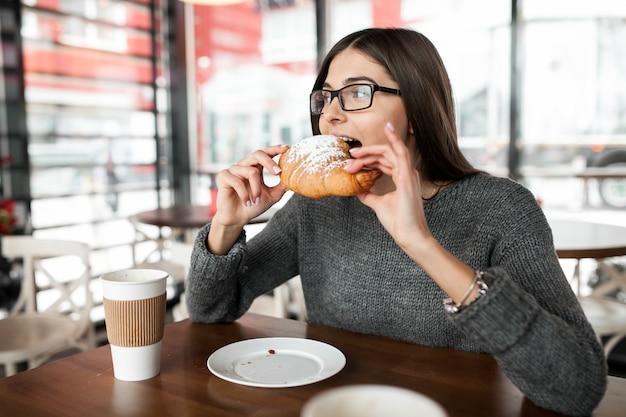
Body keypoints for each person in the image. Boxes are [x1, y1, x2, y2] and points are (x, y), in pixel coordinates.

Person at [186, 28, 607, 416]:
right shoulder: (319, 206)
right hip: (335, 406)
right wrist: (226, 226)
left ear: (418, 103)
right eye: (326, 96)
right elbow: (210, 311)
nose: (330, 114)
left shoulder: (501, 208)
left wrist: (419, 241)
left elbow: (577, 389)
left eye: (356, 92)